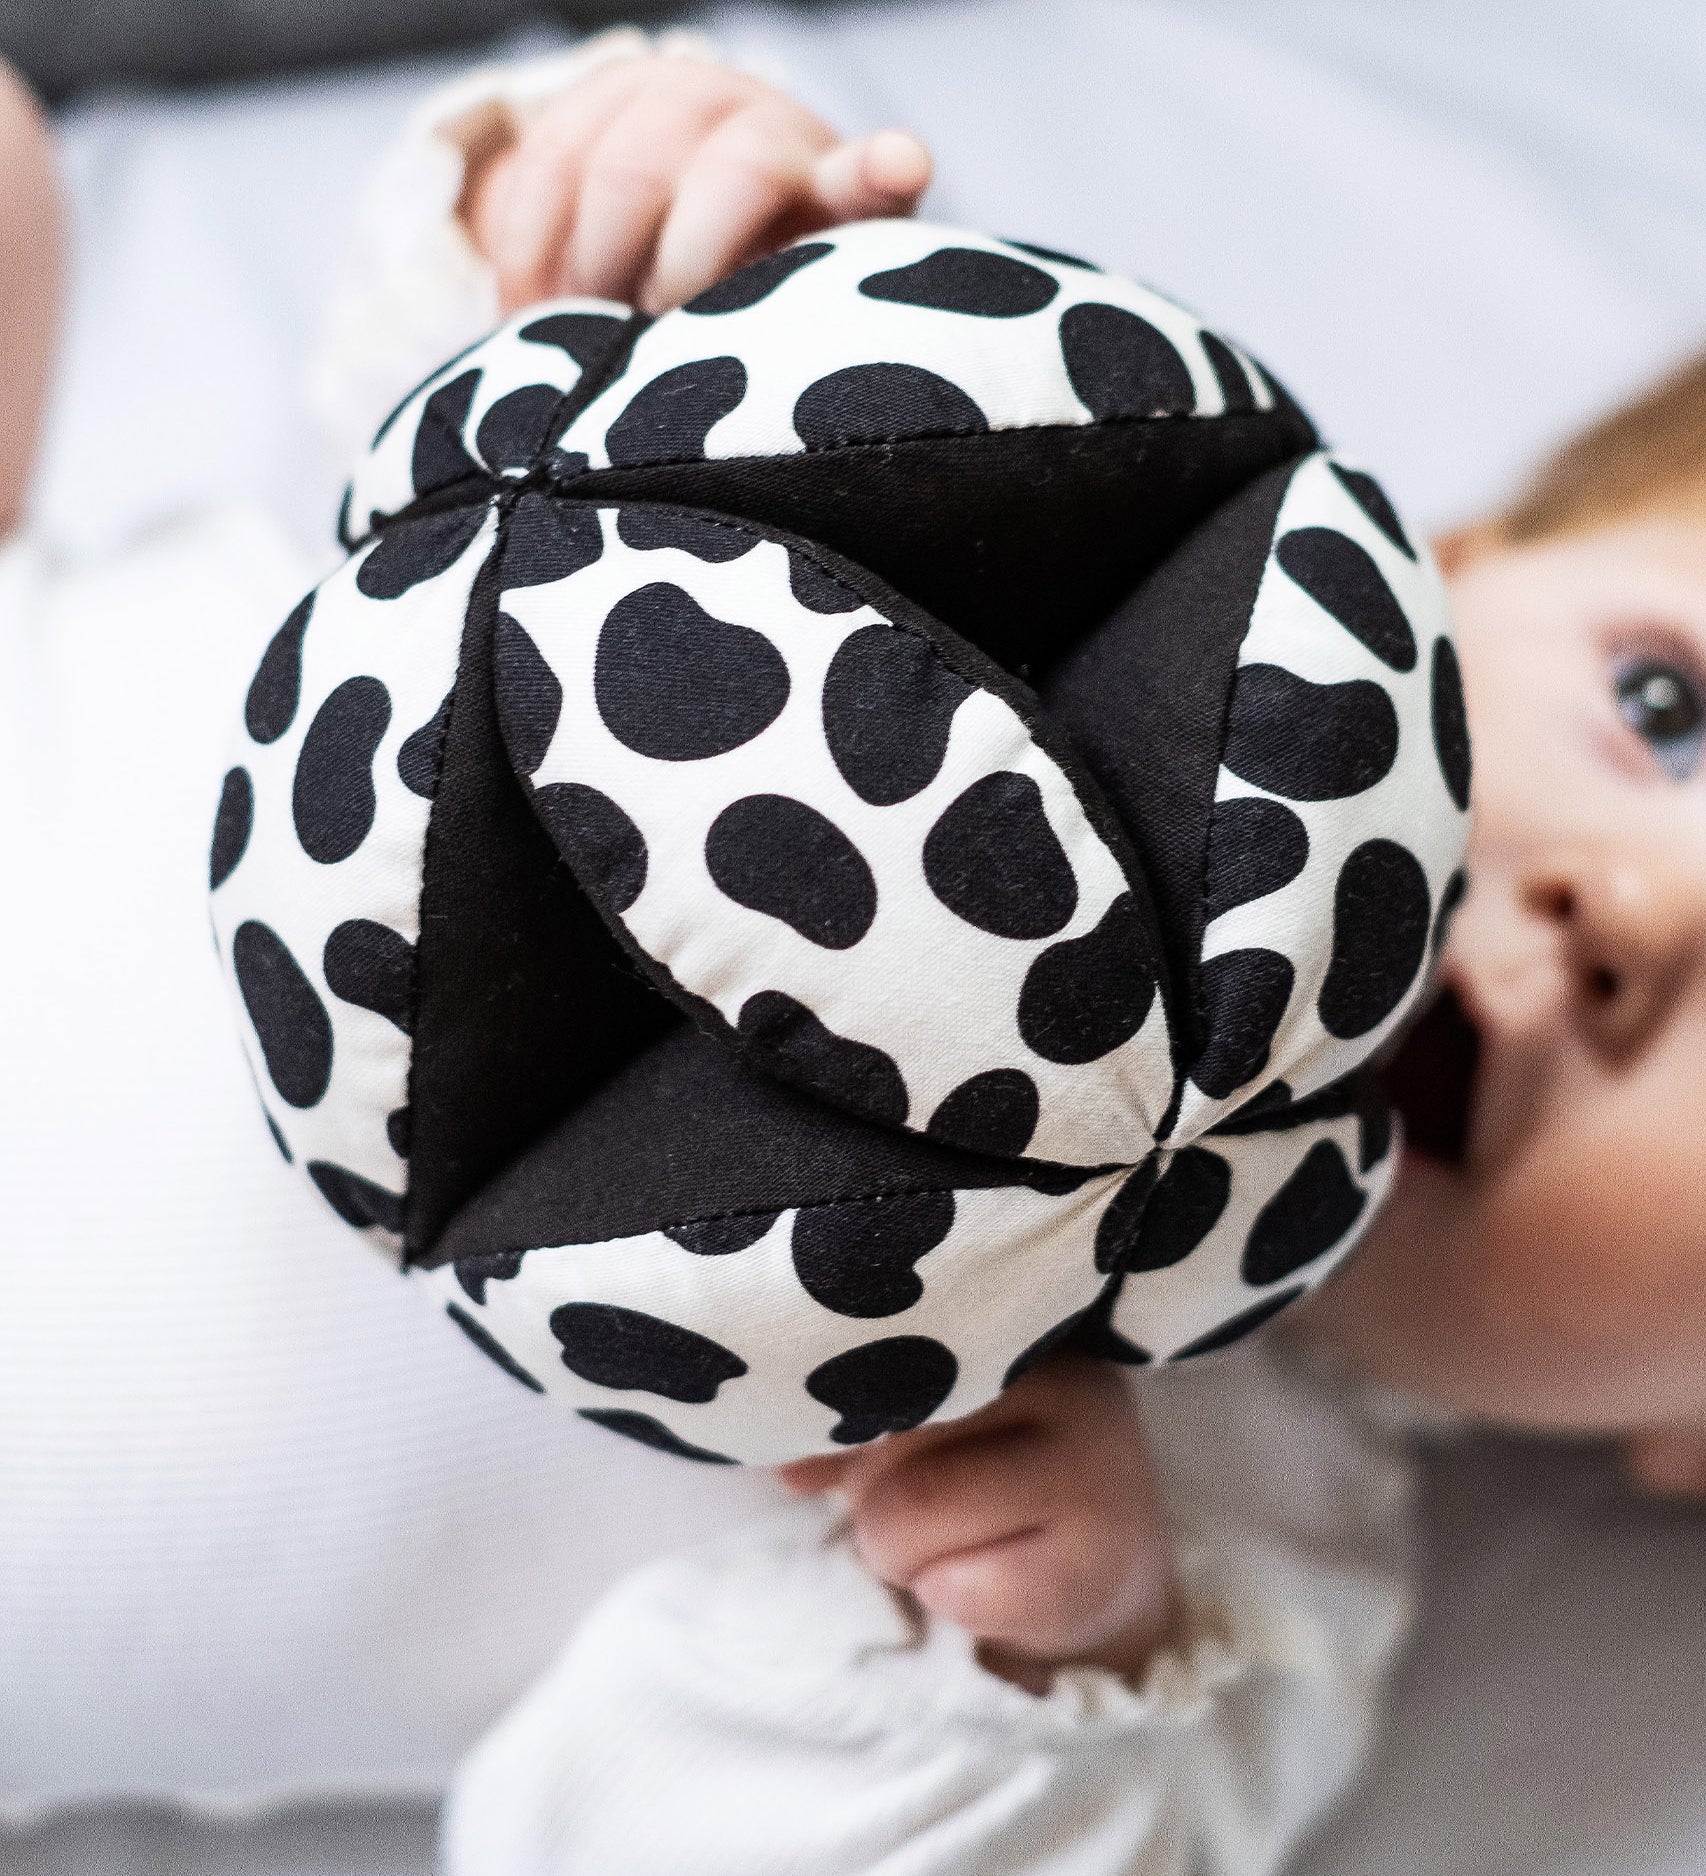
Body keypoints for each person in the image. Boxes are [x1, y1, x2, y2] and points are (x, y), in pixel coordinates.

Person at [339, 36, 1706, 1875]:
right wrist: (639, 245)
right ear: (1421, 566)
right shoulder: (1019, 577)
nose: (1628, 911)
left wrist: (1014, 1655)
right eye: (1661, 705)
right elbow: (414, 510)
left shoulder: (1234, 1609)